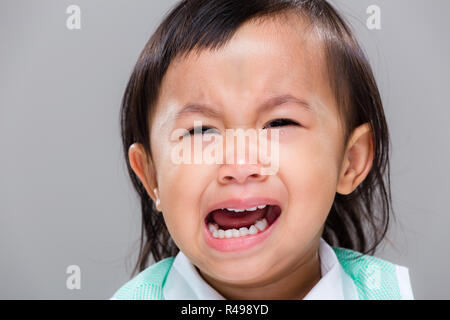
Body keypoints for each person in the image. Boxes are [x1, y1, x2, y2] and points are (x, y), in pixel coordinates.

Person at [112, 0, 413, 300]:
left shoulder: (387, 292)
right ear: (151, 177)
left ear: (351, 161)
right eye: (201, 130)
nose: (240, 164)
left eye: (279, 123)